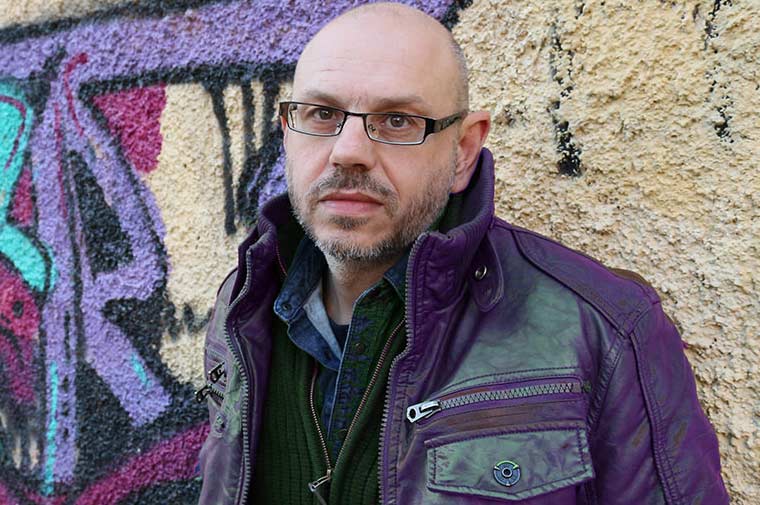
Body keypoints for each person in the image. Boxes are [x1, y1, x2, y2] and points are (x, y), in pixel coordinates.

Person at [196, 3, 728, 504]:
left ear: (464, 150)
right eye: (320, 113)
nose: (348, 151)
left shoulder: (602, 330)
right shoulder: (242, 306)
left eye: (398, 120)